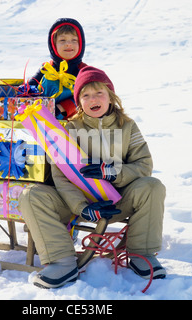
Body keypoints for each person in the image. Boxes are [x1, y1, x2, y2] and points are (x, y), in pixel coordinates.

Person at [19, 66, 166, 289]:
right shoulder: (68, 129)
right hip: (76, 203)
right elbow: (61, 178)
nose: (93, 99)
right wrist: (82, 208)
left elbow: (143, 165)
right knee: (31, 196)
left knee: (152, 186)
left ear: (111, 97)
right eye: (85, 95)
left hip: (117, 202)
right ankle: (61, 262)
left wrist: (112, 171)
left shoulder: (127, 127)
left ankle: (141, 254)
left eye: (99, 93)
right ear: (78, 102)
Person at [28, 18, 87, 120]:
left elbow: (86, 96)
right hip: (42, 120)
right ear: (53, 45)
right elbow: (31, 85)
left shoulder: (83, 71)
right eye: (62, 40)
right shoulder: (47, 68)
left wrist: (63, 107)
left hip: (72, 122)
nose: (68, 44)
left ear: (81, 44)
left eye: (74, 40)